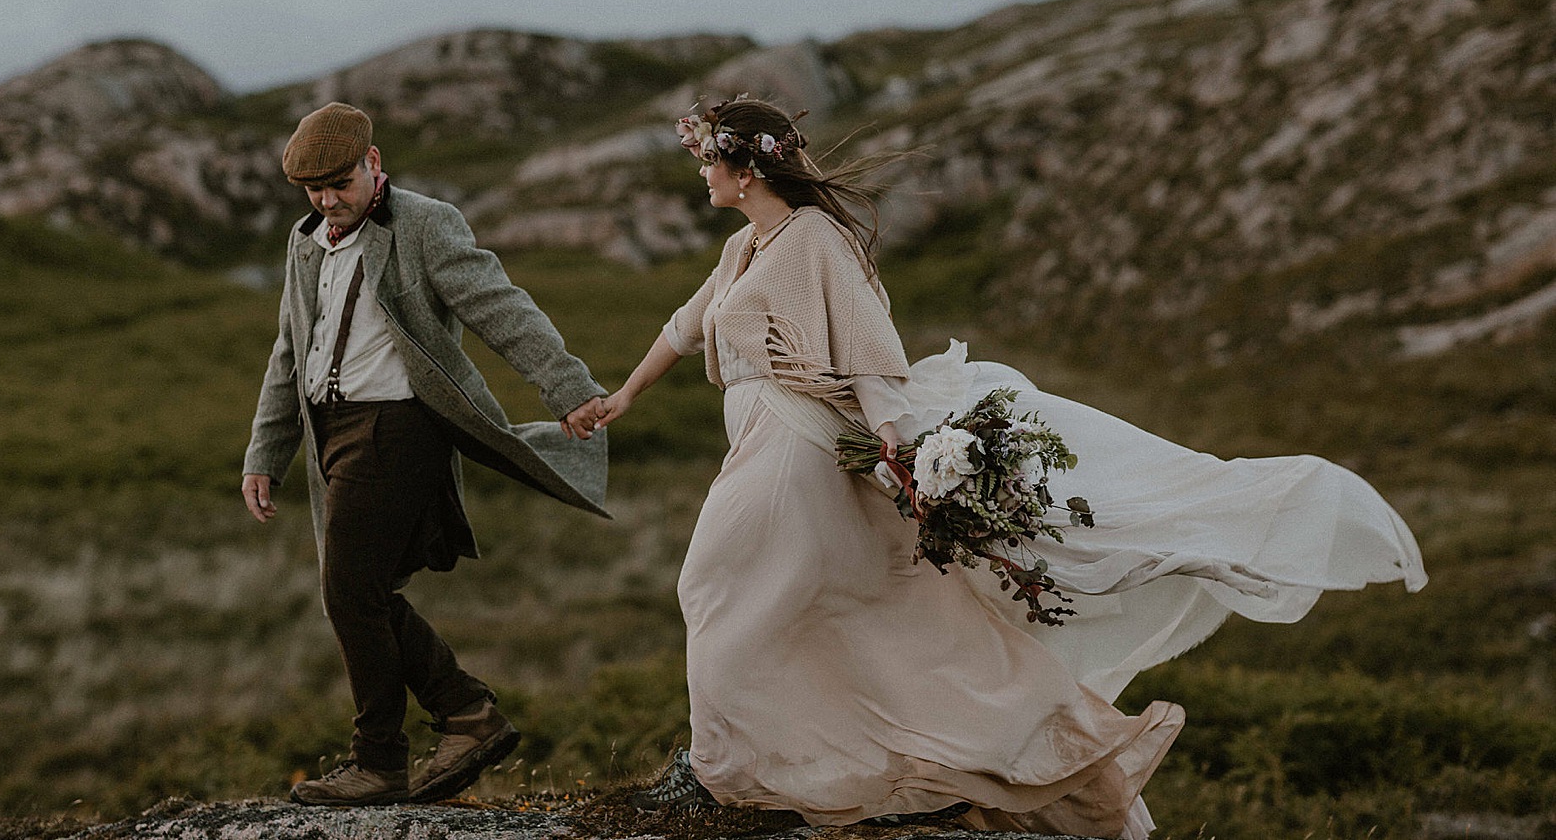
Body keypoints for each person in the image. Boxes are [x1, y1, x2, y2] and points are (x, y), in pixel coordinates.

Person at [593, 98, 1426, 839]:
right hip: (756, 441)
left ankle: (728, 772)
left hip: (795, 445)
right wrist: (620, 397)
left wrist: (895, 438)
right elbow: (684, 326)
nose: (700, 173)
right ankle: (793, 765)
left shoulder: (815, 240)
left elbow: (873, 359)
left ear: (744, 166)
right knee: (852, 610)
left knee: (712, 584)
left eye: (707, 159)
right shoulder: (746, 245)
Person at [241, 101, 610, 807]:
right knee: (363, 592)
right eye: (313, 189)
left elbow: (501, 307)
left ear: (373, 164)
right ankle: (468, 715)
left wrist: (568, 387)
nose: (327, 200)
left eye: (339, 183)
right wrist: (267, 450)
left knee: (349, 590)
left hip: (400, 427)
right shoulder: (305, 241)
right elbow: (289, 351)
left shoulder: (425, 223)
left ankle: (381, 759)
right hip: (332, 432)